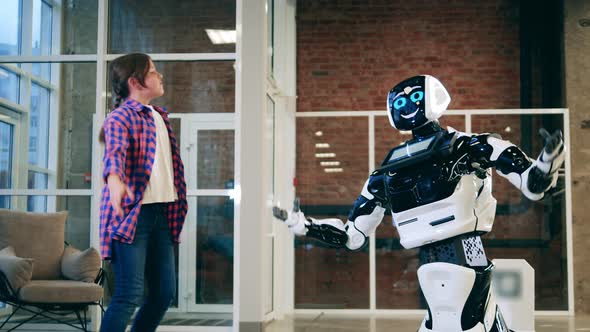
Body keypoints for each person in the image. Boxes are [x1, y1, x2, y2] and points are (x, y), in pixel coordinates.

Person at [274, 75, 565, 332]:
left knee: (466, 322)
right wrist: (304, 225)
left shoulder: (463, 146)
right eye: (400, 101)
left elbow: (531, 182)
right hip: (429, 262)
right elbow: (353, 235)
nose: (408, 105)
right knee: (448, 321)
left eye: (415, 97)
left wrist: (548, 161)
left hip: (465, 253)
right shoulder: (388, 171)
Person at [98, 53, 188, 332]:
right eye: (154, 71)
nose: (160, 76)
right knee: (128, 295)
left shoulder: (159, 116)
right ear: (136, 82)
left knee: (163, 294)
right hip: (133, 217)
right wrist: (114, 179)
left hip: (162, 214)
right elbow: (115, 152)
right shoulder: (120, 117)